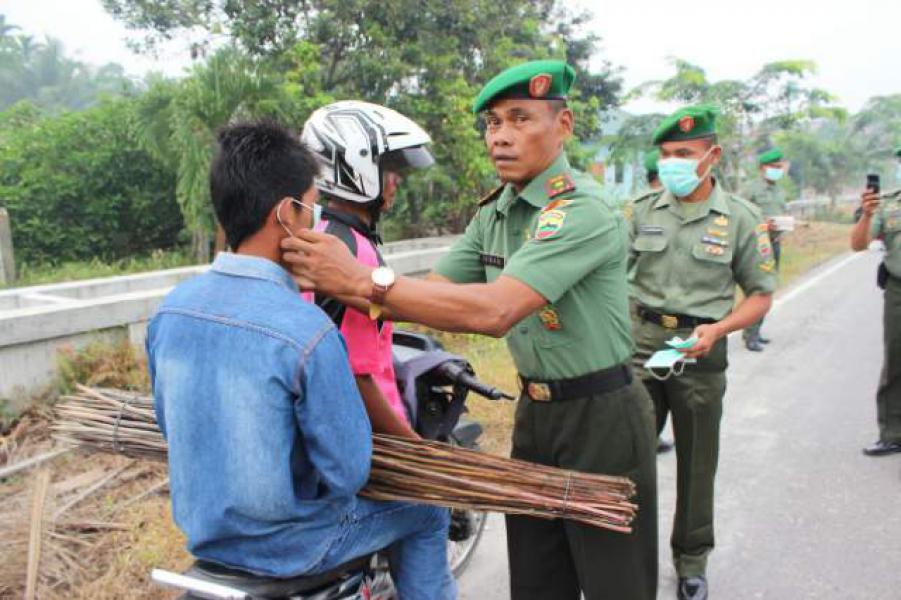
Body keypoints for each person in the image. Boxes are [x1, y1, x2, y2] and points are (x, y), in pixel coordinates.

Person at [282, 59, 658, 600]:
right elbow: (433, 294)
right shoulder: (495, 214)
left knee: (614, 583)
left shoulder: (581, 211)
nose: (500, 137)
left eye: (519, 119)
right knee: (537, 579)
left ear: (564, 125)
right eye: (492, 123)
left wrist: (362, 279)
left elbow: (494, 311)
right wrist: (331, 281)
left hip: (602, 414)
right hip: (536, 413)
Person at [145, 120, 456, 599]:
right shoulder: (306, 332)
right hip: (295, 546)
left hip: (208, 539)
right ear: (287, 214)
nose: (315, 221)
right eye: (311, 208)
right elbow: (348, 471)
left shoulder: (170, 312)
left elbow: (173, 428)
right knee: (428, 512)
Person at [626, 105, 776, 600]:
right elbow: (612, 278)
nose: (673, 162)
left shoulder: (741, 220)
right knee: (629, 460)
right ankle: (626, 558)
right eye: (667, 154)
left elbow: (759, 294)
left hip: (700, 354)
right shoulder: (643, 210)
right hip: (640, 351)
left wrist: (721, 329)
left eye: (684, 154)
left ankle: (691, 561)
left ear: (711, 156)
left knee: (696, 466)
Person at [300, 100, 436, 439]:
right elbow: (359, 376)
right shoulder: (354, 252)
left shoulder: (320, 237)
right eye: (390, 169)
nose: (396, 182)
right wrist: (415, 450)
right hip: (370, 439)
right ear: (356, 169)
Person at [850, 146, 901, 457]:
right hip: (898, 291)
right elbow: (858, 244)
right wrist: (867, 214)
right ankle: (892, 433)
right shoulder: (889, 205)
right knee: (896, 362)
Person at [637, 148, 675, 454]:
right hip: (643, 323)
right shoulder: (636, 212)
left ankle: (653, 435)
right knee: (645, 392)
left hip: (685, 330)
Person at [742, 147, 790, 351]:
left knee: (768, 288)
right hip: (757, 245)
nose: (778, 170)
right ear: (763, 168)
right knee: (757, 288)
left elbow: (781, 213)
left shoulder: (780, 191)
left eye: (780, 167)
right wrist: (763, 224)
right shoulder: (751, 189)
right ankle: (750, 333)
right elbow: (741, 217)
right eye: (774, 167)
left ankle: (756, 330)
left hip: (775, 243)